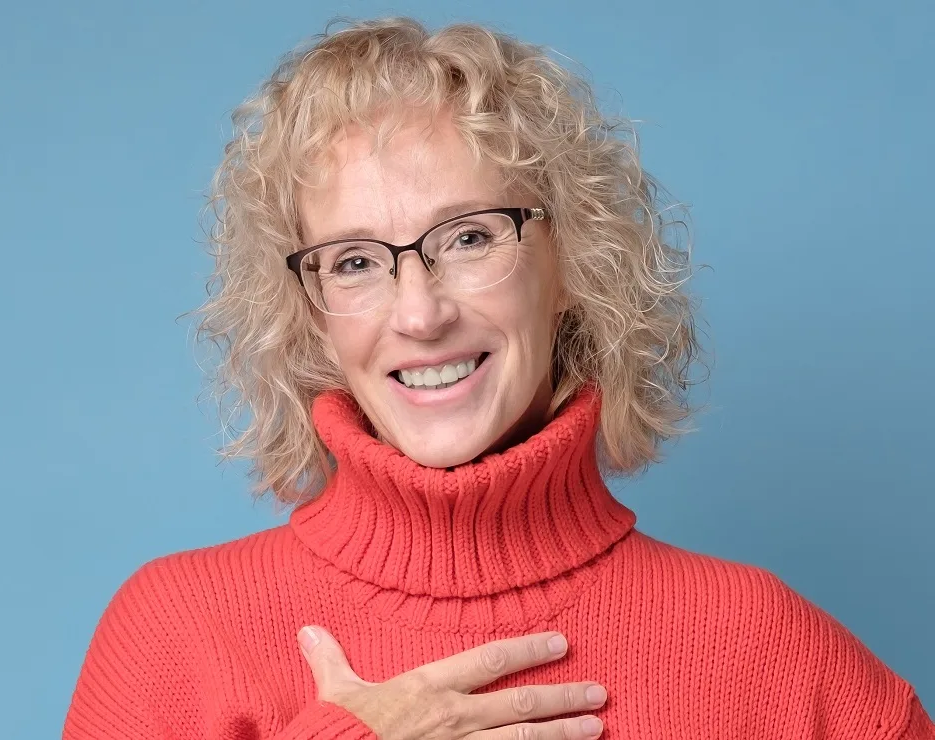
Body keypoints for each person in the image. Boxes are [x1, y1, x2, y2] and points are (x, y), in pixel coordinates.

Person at [63, 17, 933, 740]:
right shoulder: (175, 634)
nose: (419, 312)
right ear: (311, 313)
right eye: (357, 260)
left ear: (570, 267)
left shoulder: (760, 646)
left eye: (471, 237)